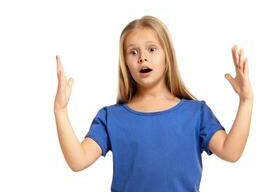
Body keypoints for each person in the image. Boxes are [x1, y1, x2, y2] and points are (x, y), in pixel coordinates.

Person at [54, 15, 254, 192]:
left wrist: (246, 101)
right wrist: (60, 111)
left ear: (167, 56)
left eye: (152, 49)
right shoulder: (111, 117)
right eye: (133, 52)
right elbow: (78, 160)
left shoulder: (196, 113)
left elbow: (231, 151)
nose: (143, 58)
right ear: (125, 62)